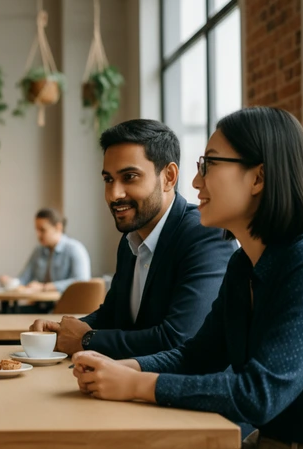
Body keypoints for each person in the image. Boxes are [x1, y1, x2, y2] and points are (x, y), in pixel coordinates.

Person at [72, 107, 303, 448]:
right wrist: (126, 367)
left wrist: (135, 384)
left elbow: (259, 393)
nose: (196, 181)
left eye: (210, 164)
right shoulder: (242, 265)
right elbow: (196, 356)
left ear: (258, 178)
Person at [31, 119, 236, 358]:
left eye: (129, 177)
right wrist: (61, 331)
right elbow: (111, 315)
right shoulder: (131, 240)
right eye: (108, 180)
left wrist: (87, 340)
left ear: (169, 177)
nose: (114, 194)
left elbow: (179, 339)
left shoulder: (205, 234)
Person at [0, 208, 91, 294]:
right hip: (41, 305)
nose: (38, 235)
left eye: (42, 230)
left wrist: (45, 287)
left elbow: (82, 281)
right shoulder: (38, 251)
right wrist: (11, 282)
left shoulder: (75, 249)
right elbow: (24, 279)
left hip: (66, 306)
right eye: (37, 230)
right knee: (7, 311)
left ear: (58, 227)